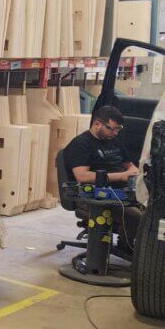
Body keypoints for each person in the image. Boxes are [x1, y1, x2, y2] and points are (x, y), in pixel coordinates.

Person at [64, 105, 142, 248]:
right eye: (111, 128)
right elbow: (82, 176)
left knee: (152, 210)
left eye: (118, 129)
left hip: (122, 190)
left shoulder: (114, 141)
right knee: (136, 217)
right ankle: (127, 247)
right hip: (95, 195)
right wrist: (121, 176)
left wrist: (133, 173)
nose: (115, 133)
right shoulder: (81, 144)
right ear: (97, 123)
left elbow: (129, 165)